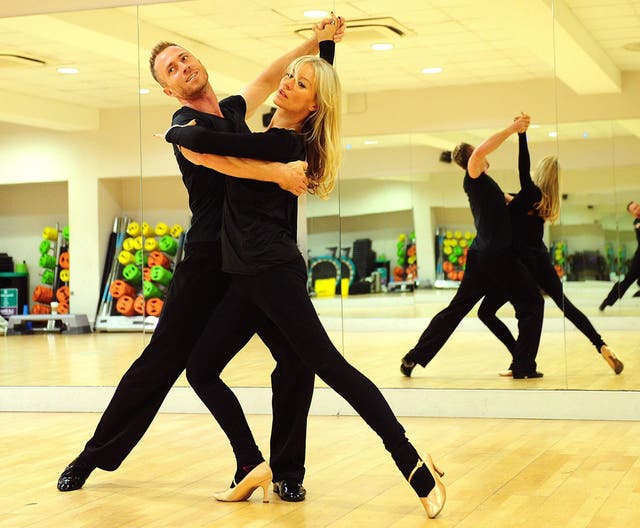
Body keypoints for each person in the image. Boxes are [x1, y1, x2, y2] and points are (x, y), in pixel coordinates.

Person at [163, 17, 446, 520]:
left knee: (330, 366)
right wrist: (322, 49)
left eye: (298, 84)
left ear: (310, 106)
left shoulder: (283, 145)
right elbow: (297, 99)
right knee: (202, 368)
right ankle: (252, 463)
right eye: (288, 77)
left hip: (272, 275)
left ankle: (410, 460)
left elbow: (199, 144)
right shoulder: (279, 138)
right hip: (244, 282)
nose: (286, 83)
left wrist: (188, 137)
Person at [56, 21, 338, 499]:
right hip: (209, 261)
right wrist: (278, 174)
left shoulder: (230, 111)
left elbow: (270, 78)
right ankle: (93, 455)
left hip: (251, 258)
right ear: (168, 89)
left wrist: (316, 44)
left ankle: (288, 472)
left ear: (199, 63)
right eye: (172, 68)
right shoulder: (188, 129)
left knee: (294, 359)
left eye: (185, 58)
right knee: (160, 363)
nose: (183, 66)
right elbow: (230, 164)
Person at [400, 115, 545, 380]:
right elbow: (480, 152)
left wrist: (530, 206)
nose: (483, 154)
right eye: (477, 153)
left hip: (482, 257)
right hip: (497, 257)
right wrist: (514, 129)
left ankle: (413, 357)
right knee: (533, 302)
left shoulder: (485, 186)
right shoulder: (474, 175)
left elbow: (508, 203)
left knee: (457, 310)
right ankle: (523, 365)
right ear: (471, 160)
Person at [476, 132, 623, 375]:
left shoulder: (530, 193)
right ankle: (601, 345)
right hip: (542, 261)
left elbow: (522, 173)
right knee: (567, 306)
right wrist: (505, 197)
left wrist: (522, 135)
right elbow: (518, 202)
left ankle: (519, 359)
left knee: (492, 311)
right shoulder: (544, 200)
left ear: (539, 173)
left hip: (522, 264)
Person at [599, 200, 640, 311]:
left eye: (637, 206)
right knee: (627, 281)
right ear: (632, 214)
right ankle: (608, 301)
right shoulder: (636, 223)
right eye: (634, 209)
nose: (638, 208)